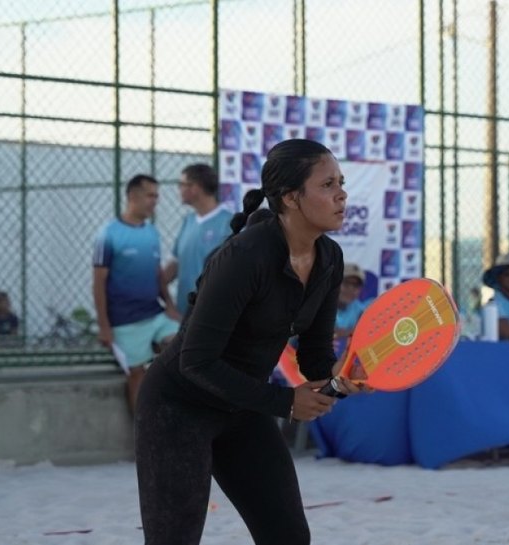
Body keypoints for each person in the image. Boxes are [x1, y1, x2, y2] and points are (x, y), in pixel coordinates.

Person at [135, 139, 366, 545]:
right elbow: (196, 361)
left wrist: (344, 374)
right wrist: (286, 402)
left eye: (341, 183)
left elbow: (314, 356)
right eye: (328, 184)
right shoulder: (245, 256)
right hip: (178, 406)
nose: (342, 195)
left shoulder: (329, 259)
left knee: (288, 537)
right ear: (291, 197)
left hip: (243, 405)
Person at [92, 174, 180, 414]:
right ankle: (142, 433)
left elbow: (157, 273)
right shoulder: (107, 234)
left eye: (157, 196)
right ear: (133, 196)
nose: (155, 201)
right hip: (125, 321)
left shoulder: (151, 232)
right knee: (137, 375)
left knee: (181, 349)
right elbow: (98, 283)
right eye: (150, 196)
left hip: (156, 314)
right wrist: (104, 326)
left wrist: (170, 306)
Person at [163, 163, 234, 315]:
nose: (179, 189)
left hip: (213, 314)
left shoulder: (229, 223)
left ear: (195, 187)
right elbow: (175, 263)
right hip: (184, 313)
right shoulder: (188, 221)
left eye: (182, 184)